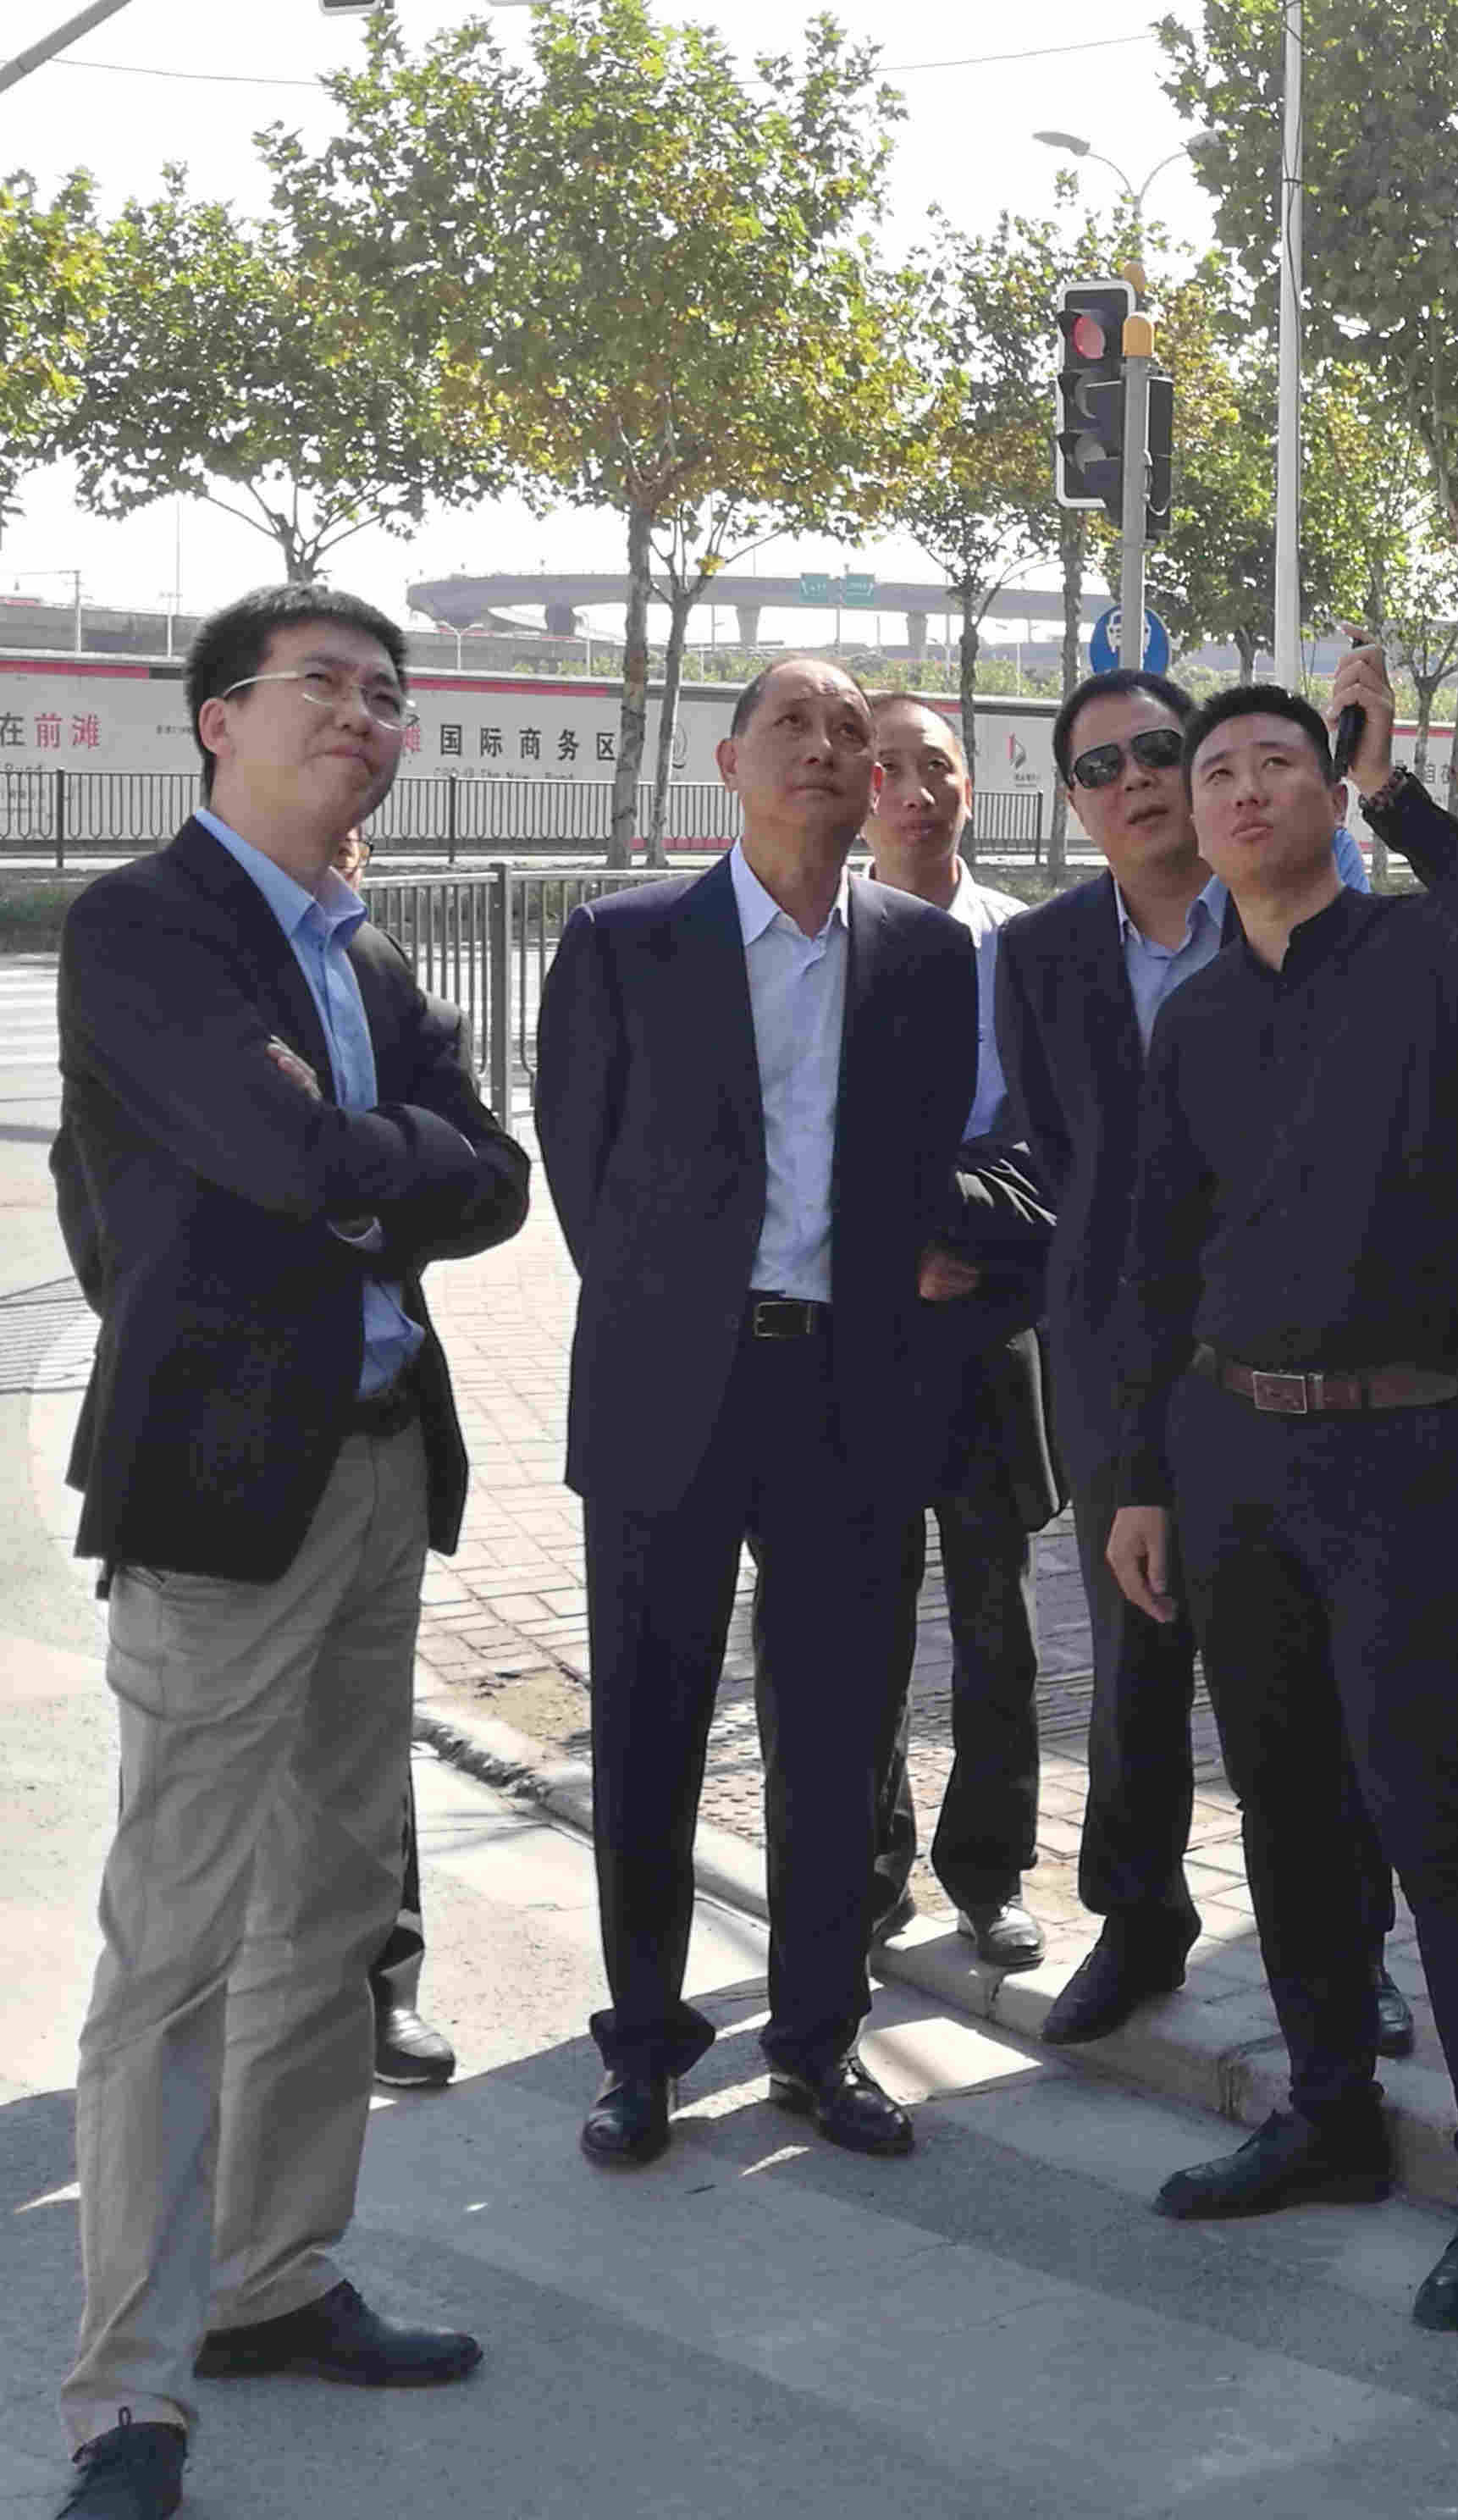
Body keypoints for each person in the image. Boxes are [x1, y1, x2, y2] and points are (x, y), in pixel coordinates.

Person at [52, 584, 528, 2520]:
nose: (364, 715)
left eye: (387, 695)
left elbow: (494, 1177)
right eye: (323, 684)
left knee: (329, 1913)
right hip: (219, 1485)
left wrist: (362, 1169)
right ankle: (128, 2400)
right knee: (173, 1948)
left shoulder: (365, 949)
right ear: (217, 719)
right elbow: (291, 1161)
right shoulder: (144, 928)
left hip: (383, 1471)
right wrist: (373, 1167)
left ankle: (272, 2277)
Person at [1102, 649, 1458, 2331]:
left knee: (1424, 1806)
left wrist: (1399, 792)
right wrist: (1140, 1476)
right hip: (1229, 1450)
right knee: (1284, 1800)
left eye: (1276, 764)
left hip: (1394, 1451)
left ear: (1325, 789)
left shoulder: (1420, 951)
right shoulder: (1195, 1015)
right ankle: (1329, 2116)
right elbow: (1156, 1257)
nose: (1241, 790)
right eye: (1214, 772)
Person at [538, 655, 980, 2173]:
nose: (825, 748)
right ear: (727, 763)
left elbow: (934, 1161)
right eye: (791, 722)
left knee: (837, 1735)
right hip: (672, 1385)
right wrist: (676, 1310)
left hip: (850, 1390)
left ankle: (815, 2039)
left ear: (878, 781)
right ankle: (643, 2048)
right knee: (648, 1729)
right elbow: (583, 1163)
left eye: (852, 732)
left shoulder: (927, 957)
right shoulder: (624, 941)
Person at [993, 667, 1415, 2058]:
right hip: (1117, 1353)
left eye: (1157, 752)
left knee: (1317, 1671)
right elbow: (1044, 1158)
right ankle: (1137, 1919)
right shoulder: (1041, 954)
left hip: (1290, 1352)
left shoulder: (1298, 922)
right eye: (1098, 767)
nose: (1133, 782)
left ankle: (1354, 1944)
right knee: (1135, 1653)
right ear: (1074, 802)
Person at [839, 692, 1059, 1966]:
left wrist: (959, 1237)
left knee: (997, 1619)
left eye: (938, 767)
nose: (915, 793)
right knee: (861, 1612)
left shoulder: (1026, 950)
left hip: (988, 1321)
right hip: (858, 1332)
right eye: (888, 769)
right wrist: (893, 1245)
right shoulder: (816, 943)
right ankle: (870, 1876)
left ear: (975, 783)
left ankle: (990, 1869)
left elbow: (1056, 1143)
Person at [323, 826, 463, 2097]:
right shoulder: (178, 974)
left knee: (370, 1731)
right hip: (226, 1444)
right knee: (229, 1744)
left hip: (386, 1418)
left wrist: (372, 1187)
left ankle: (386, 1979)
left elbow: (483, 1175)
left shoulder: (383, 979)